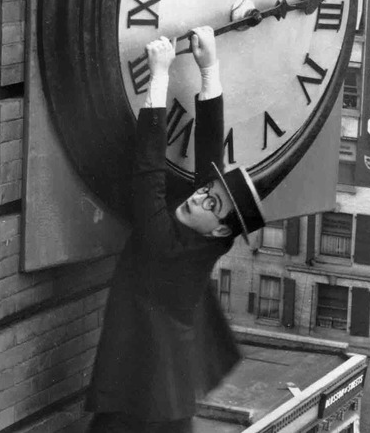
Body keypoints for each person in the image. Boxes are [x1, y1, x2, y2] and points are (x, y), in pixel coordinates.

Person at [87, 28, 269, 433]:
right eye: (208, 192)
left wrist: (159, 77)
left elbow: (148, 174)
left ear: (219, 230)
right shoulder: (205, 231)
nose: (200, 196)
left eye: (212, 203)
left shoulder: (168, 248)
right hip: (160, 393)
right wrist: (209, 69)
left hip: (143, 400)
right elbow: (210, 161)